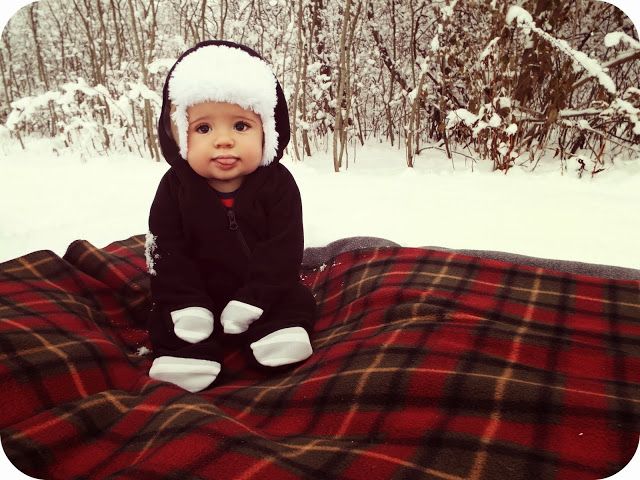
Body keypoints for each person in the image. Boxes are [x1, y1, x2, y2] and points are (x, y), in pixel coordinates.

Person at [145, 40, 316, 393]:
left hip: (261, 288)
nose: (224, 141)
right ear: (178, 135)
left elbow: (283, 249)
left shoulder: (278, 184)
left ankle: (277, 335)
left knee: (294, 300)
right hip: (198, 290)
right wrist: (185, 303)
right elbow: (165, 251)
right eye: (203, 129)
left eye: (240, 126)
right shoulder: (175, 187)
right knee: (165, 315)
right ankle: (188, 354)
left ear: (268, 131)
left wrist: (254, 299)